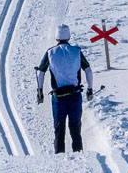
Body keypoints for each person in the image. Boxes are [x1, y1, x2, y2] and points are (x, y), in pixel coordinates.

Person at [36, 24, 94, 153]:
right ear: (69, 37)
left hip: (59, 98)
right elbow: (88, 70)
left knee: (59, 130)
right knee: (75, 129)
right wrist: (90, 89)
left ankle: (59, 157)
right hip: (75, 96)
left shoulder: (50, 52)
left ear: (56, 38)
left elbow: (41, 72)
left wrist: (40, 91)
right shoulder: (77, 51)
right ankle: (79, 155)